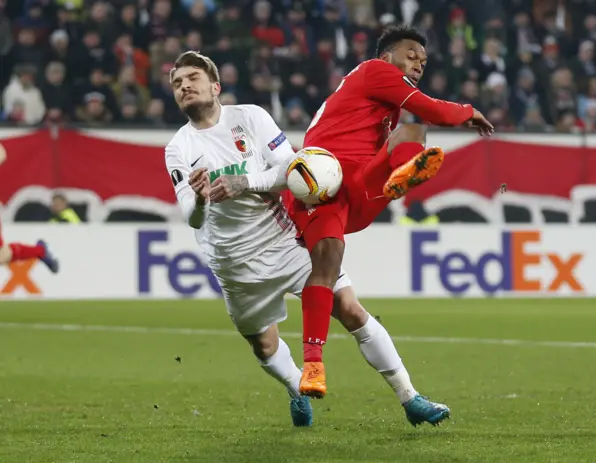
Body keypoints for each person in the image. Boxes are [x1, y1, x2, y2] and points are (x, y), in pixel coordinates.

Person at [164, 51, 450, 428]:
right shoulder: (179, 148)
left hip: (282, 241)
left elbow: (294, 168)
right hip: (233, 264)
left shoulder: (250, 118)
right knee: (264, 346)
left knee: (349, 308)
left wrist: (245, 182)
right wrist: (200, 199)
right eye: (177, 83)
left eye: (192, 78)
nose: (184, 86)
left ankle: (410, 397)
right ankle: (295, 387)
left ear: (215, 87)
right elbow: (191, 216)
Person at [284, 25, 495, 398]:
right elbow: (431, 108)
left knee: (411, 126)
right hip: (322, 184)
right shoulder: (374, 70)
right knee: (329, 262)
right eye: (411, 55)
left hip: (358, 183)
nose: (418, 64)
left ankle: (403, 174)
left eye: (424, 61)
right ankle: (313, 365)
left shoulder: (385, 101)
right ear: (387, 57)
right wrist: (468, 111)